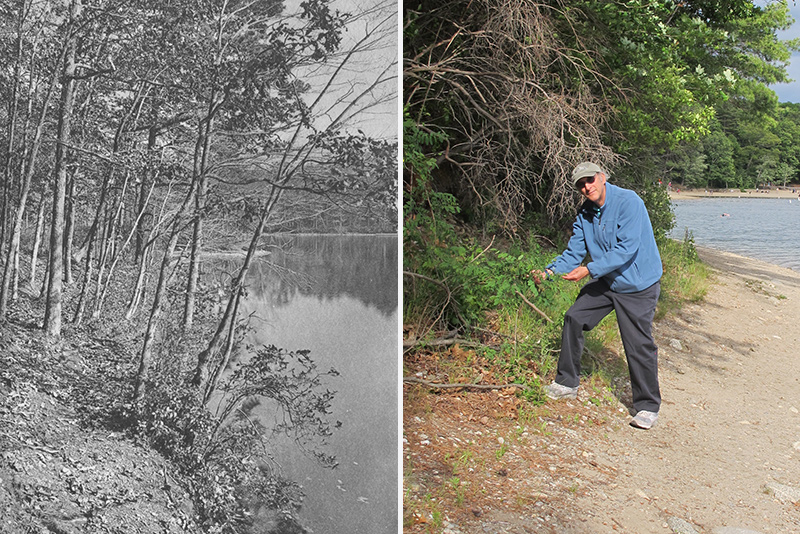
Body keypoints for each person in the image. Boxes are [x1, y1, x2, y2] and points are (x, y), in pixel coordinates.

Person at [538, 162, 663, 430]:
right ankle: (566, 382)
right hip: (608, 280)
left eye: (590, 180)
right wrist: (548, 272)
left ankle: (648, 406)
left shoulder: (629, 202)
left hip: (637, 285)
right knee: (574, 317)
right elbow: (573, 253)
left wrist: (588, 270)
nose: (587, 187)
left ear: (602, 177)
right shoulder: (585, 213)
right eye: (581, 184)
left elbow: (626, 248)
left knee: (637, 344)